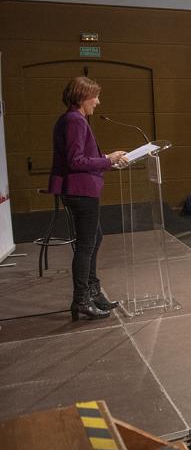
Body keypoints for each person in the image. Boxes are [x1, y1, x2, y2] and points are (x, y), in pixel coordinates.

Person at [49, 77, 129, 321]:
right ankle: (82, 300)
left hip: (81, 189)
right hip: (80, 191)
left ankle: (93, 292)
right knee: (86, 246)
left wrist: (108, 160)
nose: (98, 102)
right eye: (95, 96)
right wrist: (108, 159)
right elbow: (76, 161)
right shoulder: (75, 120)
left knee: (95, 238)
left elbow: (81, 158)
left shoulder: (72, 119)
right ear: (83, 97)